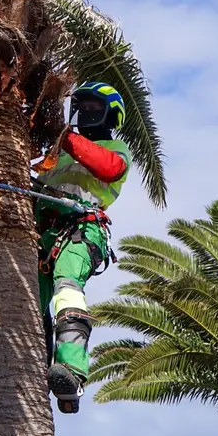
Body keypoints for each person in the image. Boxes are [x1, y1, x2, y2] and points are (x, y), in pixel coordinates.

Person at [34, 81, 131, 414]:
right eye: (83, 107)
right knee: (30, 302)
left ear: (110, 115)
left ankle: (73, 370)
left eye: (94, 108)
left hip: (81, 229)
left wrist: (65, 137)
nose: (87, 113)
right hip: (39, 231)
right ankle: (42, 371)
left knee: (67, 283)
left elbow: (109, 168)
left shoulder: (115, 150)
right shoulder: (58, 152)